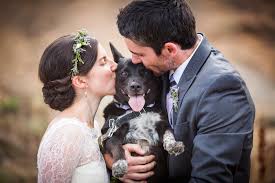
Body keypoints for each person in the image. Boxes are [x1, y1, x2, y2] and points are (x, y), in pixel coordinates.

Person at [107, 0, 256, 182]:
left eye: (140, 54)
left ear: (170, 49)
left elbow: (210, 179)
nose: (135, 61)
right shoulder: (161, 69)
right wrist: (115, 159)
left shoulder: (223, 89)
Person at [37, 30, 117, 183]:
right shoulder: (66, 134)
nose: (115, 66)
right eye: (103, 62)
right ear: (80, 81)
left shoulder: (93, 126)